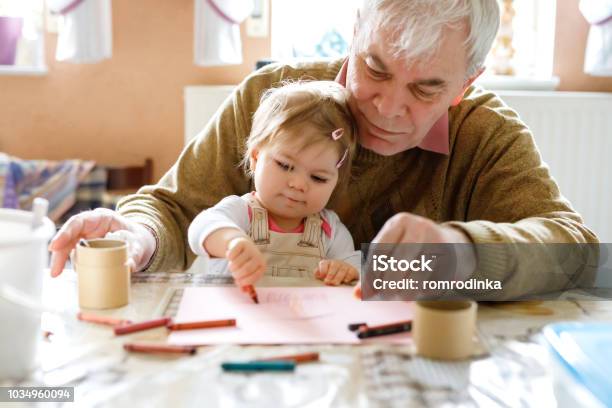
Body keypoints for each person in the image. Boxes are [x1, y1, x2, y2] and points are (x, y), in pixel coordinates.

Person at [49, 0, 598, 299]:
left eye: (426, 89)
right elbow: (171, 207)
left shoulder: (486, 134)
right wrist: (137, 236)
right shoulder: (273, 98)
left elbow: (574, 247)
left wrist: (462, 250)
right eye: (374, 69)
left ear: (466, 85)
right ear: (356, 31)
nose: (385, 107)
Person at [188, 80, 360, 287]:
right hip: (238, 315)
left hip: (302, 317)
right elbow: (201, 227)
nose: (298, 184)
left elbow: (354, 263)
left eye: (318, 178)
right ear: (255, 157)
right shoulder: (242, 212)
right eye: (285, 165)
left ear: (336, 182)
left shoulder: (329, 230)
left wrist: (346, 269)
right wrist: (232, 241)